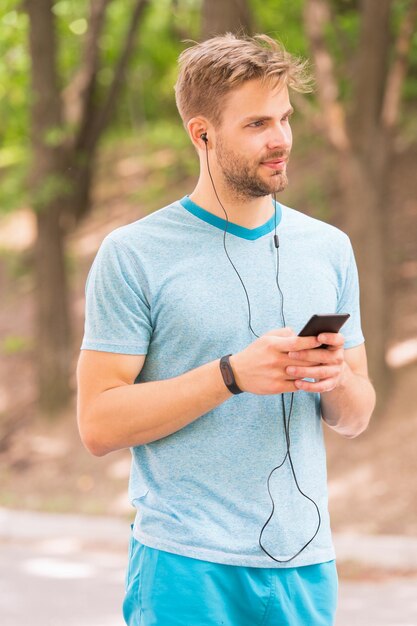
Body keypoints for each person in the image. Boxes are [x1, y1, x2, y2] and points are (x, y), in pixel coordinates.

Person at [77, 33, 376, 626]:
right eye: (258, 123)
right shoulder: (133, 254)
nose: (282, 140)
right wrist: (231, 376)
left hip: (305, 566)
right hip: (186, 566)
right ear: (202, 133)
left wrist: (334, 378)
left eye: (286, 118)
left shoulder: (329, 248)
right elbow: (98, 424)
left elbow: (358, 414)